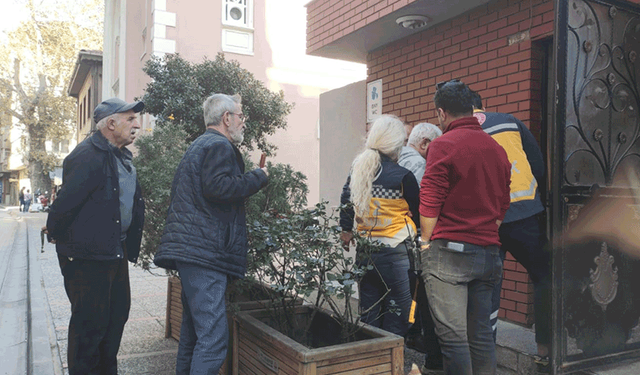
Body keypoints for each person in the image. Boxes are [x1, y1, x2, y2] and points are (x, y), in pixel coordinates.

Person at [153, 93, 269, 374]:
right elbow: (219, 188)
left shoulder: (201, 145)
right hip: (205, 255)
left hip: (195, 253)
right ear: (226, 118)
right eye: (241, 117)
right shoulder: (219, 146)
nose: (244, 123)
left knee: (193, 336)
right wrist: (259, 177)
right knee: (214, 341)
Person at [43, 97, 146, 375]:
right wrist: (55, 233)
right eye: (130, 119)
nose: (137, 124)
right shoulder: (87, 155)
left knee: (115, 319)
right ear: (111, 124)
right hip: (88, 257)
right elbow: (65, 204)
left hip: (114, 251)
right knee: (90, 328)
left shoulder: (121, 155)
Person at [419, 79, 511, 375]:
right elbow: (502, 206)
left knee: (454, 339)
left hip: (449, 254)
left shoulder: (443, 144)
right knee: (481, 336)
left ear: (442, 113)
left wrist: (424, 241)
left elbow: (430, 199)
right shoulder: (496, 148)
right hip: (488, 254)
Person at [471, 91, 551, 365]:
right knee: (543, 276)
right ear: (483, 105)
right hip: (523, 214)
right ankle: (545, 350)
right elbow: (537, 164)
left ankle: (485, 353)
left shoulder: (458, 131)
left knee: (489, 283)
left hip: (485, 221)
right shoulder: (509, 121)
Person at [339, 114, 419, 337]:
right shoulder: (403, 176)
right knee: (399, 316)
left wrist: (346, 230)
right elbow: (420, 213)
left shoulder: (359, 171)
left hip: (365, 251)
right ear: (395, 143)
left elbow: (346, 199)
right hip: (395, 253)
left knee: (369, 315)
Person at [398, 122, 444, 374]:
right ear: (425, 144)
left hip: (391, 241)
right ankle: (431, 359)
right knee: (423, 297)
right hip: (414, 240)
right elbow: (425, 206)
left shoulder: (393, 161)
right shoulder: (419, 165)